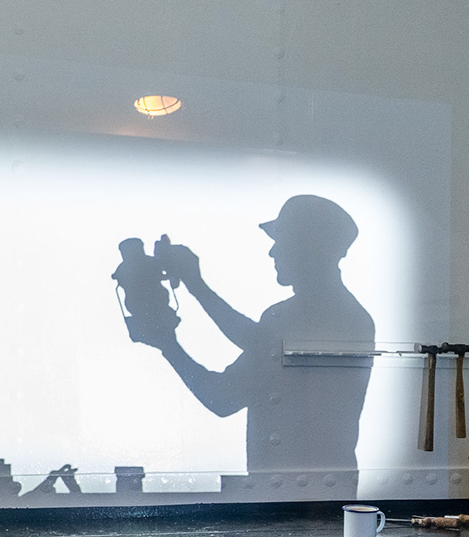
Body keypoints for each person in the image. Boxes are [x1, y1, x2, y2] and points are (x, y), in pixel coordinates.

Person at [130, 195, 375, 490]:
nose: (273, 251)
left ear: (311, 246)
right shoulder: (298, 316)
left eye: (282, 238)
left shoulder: (332, 317)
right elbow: (222, 394)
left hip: (308, 501)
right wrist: (170, 340)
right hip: (291, 496)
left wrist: (189, 297)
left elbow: (244, 365)